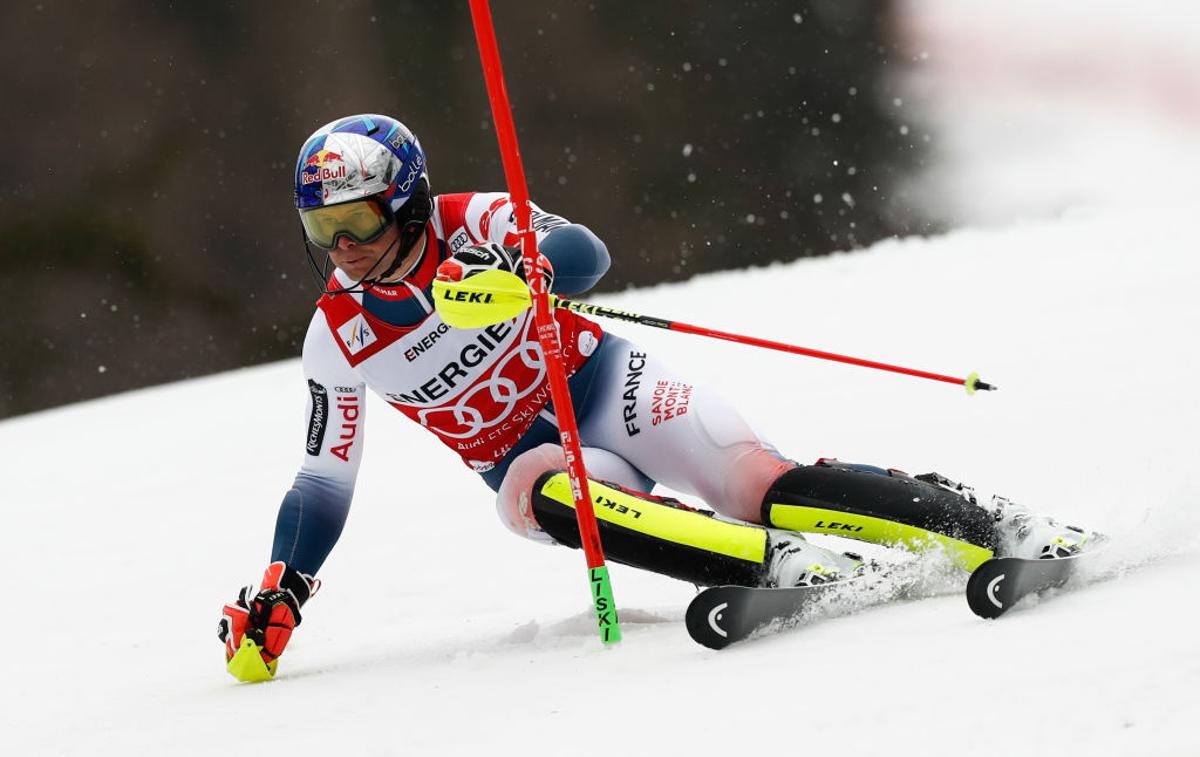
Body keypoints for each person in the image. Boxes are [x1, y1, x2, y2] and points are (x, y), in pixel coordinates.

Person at [218, 114, 1099, 674]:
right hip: (543, 453)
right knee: (536, 499)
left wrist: (511, 271)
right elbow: (321, 480)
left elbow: (584, 253)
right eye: (321, 230)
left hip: (609, 385)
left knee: (755, 482)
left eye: (357, 224)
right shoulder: (336, 333)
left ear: (406, 208)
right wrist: (283, 586)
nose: (342, 249)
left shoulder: (470, 219)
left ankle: (997, 525)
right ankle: (772, 564)